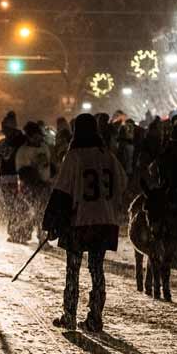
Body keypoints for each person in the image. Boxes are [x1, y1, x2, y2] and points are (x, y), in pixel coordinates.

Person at [43, 113, 127, 332]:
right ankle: (95, 317)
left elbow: (61, 191)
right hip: (105, 220)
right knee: (96, 269)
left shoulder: (74, 156)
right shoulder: (107, 155)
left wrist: (51, 220)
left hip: (79, 220)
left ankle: (69, 314)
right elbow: (123, 181)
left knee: (73, 269)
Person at [15, 122, 53, 243]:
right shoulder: (23, 151)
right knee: (35, 211)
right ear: (30, 136)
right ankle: (23, 233)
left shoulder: (44, 147)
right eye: (35, 135)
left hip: (45, 184)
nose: (38, 138)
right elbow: (23, 171)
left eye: (39, 135)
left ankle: (37, 234)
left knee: (41, 212)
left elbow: (49, 163)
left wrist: (51, 175)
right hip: (31, 187)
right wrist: (36, 181)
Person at [0, 112, 28, 243]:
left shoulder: (21, 139)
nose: (4, 132)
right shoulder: (3, 143)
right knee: (11, 207)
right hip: (5, 178)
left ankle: (21, 232)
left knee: (19, 206)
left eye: (6, 129)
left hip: (17, 177)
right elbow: (2, 162)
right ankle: (15, 232)